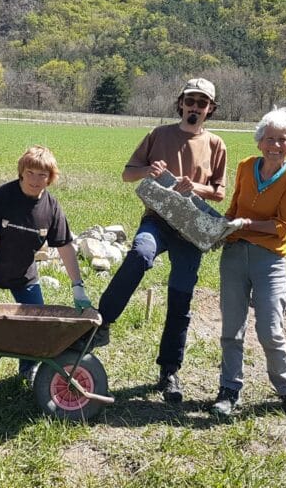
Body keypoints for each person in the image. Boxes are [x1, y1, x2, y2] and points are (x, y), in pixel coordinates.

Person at [94, 78, 227, 404]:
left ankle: (169, 371)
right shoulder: (158, 135)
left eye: (202, 103)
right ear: (180, 103)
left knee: (180, 299)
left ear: (210, 109)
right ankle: (103, 322)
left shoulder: (216, 144)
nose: (195, 107)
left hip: (191, 229)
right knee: (139, 254)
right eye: (190, 101)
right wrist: (148, 171)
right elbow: (128, 173)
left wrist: (195, 186)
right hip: (156, 220)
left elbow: (220, 193)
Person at [209, 107, 286, 420]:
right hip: (234, 256)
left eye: (282, 140)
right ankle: (229, 390)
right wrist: (219, 231)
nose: (275, 145)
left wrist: (243, 224)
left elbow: (282, 226)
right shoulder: (245, 167)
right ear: (260, 142)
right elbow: (233, 209)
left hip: (270, 261)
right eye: (270, 139)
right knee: (231, 329)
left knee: (270, 330)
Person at [0, 145, 91, 394]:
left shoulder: (51, 208)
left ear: (50, 178)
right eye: (30, 172)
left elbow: (64, 246)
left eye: (42, 175)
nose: (35, 180)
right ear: (22, 172)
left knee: (36, 321)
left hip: (22, 272)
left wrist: (78, 287)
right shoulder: (1, 197)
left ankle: (29, 368)